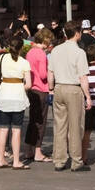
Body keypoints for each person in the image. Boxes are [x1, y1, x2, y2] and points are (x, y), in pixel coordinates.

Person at [47, 22, 92, 172]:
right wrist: (88, 97)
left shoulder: (56, 50)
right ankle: (76, 160)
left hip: (59, 87)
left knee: (59, 126)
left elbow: (50, 73)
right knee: (75, 125)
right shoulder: (79, 53)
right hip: (73, 89)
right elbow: (83, 77)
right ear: (78, 33)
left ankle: (59, 160)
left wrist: (51, 88)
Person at [0, 34, 32, 168]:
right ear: (21, 48)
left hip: (4, 95)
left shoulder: (2, 57)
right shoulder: (24, 62)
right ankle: (17, 161)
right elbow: (29, 84)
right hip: (18, 97)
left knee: (3, 129)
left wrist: (2, 81)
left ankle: (1, 160)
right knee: (16, 130)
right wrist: (19, 87)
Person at [23, 28, 54, 163]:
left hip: (31, 89)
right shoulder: (41, 53)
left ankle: (28, 150)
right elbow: (42, 74)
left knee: (32, 121)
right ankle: (38, 151)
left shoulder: (29, 52)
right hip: (41, 89)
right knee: (40, 122)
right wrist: (51, 73)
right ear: (46, 40)